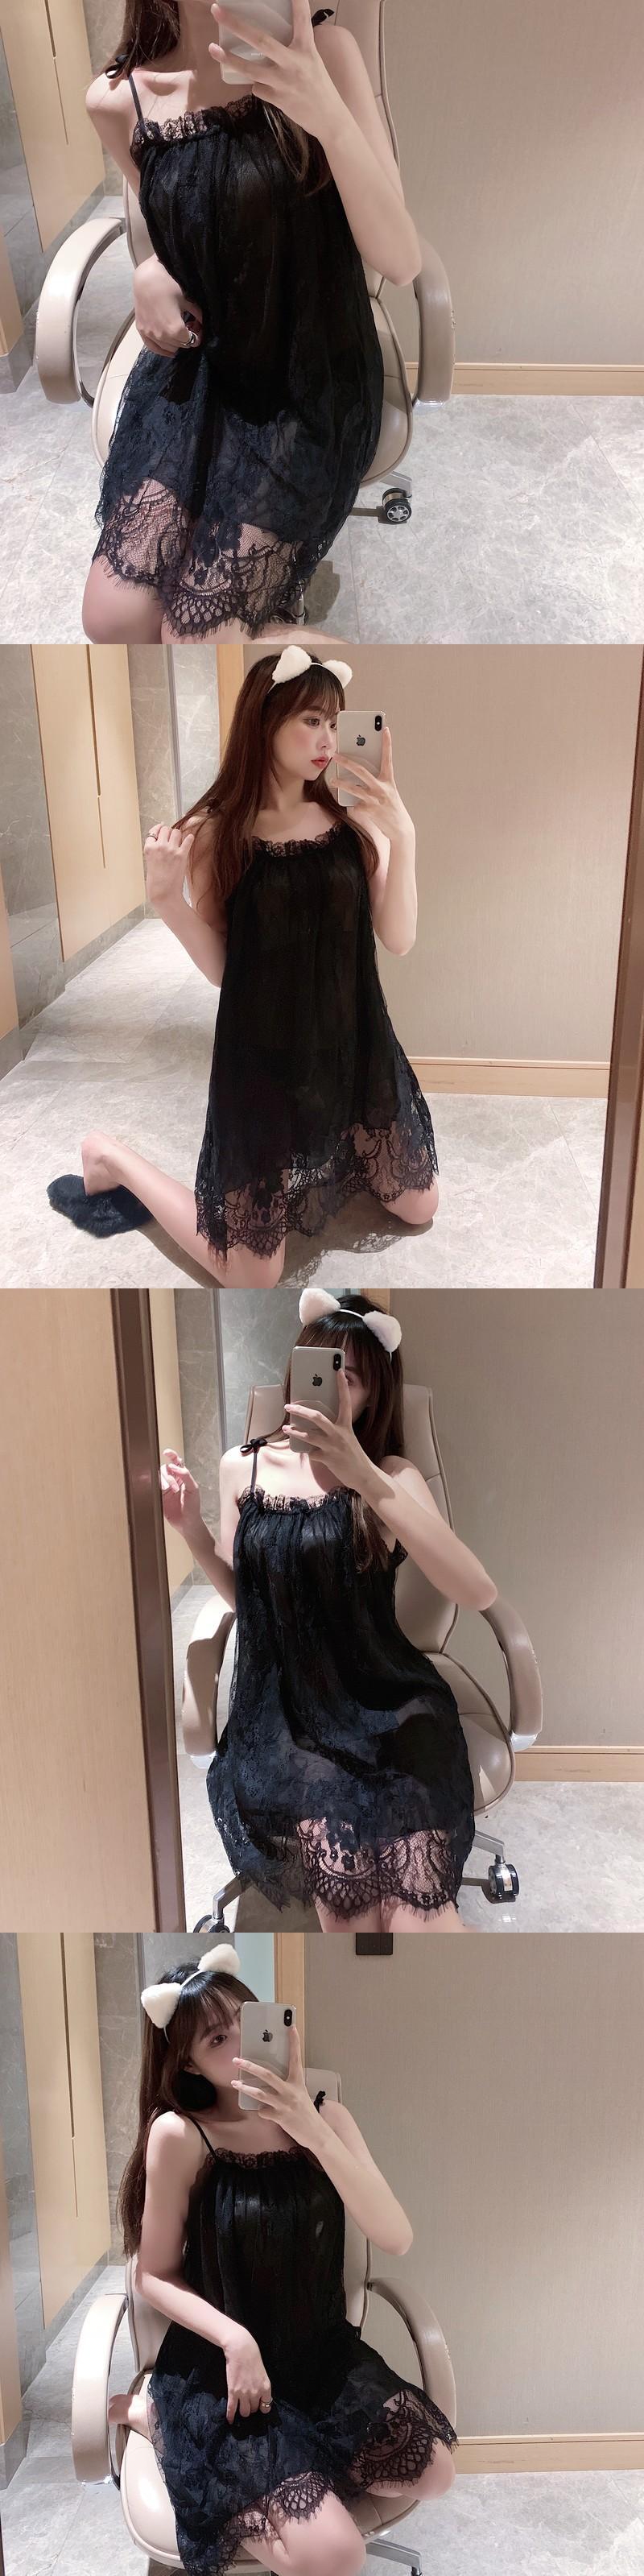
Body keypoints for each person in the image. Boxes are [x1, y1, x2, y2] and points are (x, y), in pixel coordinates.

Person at [48, 650, 439, 1284]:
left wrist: (404, 835)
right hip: (262, 1072)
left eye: (333, 722)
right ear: (265, 720)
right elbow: (223, 971)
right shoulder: (220, 835)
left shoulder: (355, 823)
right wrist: (168, 900)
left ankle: (333, 1151)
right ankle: (112, 1157)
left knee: (420, 1205)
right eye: (311, 720)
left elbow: (398, 938)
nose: (328, 739)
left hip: (354, 1055)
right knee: (251, 1275)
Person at [108, 1944, 456, 2576]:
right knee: (338, 2554)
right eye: (217, 2037)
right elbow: (152, 2274)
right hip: (228, 2374)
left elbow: (396, 2235)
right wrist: (234, 2338)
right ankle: (160, 2417)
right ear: (186, 2060)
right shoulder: (182, 2135)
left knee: (434, 2471)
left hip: (319, 2356)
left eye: (248, 2019)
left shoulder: (330, 2117)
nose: (241, 2041)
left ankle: (291, 2465)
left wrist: (309, 2124)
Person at [81, 0, 420, 640]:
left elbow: (400, 261)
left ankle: (327, 670)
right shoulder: (118, 99)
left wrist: (326, 114)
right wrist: (151, 269)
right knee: (111, 620)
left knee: (194, 634)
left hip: (307, 374)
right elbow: (177, 225)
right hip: (202, 370)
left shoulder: (327, 56)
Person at [162, 1289, 498, 1929]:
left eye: (356, 1377)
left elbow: (477, 1591)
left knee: (414, 1898)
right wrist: (192, 1531)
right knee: (350, 1901)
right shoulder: (242, 1468)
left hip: (387, 1698)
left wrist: (361, 1471)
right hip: (287, 1711)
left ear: (375, 1395)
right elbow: (249, 1602)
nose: (336, 1384)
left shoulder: (391, 1475)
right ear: (298, 1366)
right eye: (326, 1365)